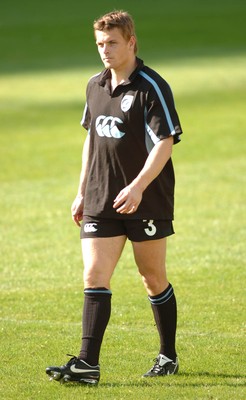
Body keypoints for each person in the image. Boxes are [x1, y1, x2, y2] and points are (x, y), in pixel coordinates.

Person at [46, 10, 182, 385]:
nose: (105, 50)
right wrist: (81, 191)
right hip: (101, 197)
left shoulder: (151, 86)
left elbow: (165, 143)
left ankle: (167, 355)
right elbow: (91, 138)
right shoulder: (95, 85)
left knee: (151, 277)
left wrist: (138, 186)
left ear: (131, 42)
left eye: (112, 43)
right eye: (100, 44)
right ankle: (88, 364)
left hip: (147, 198)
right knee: (94, 274)